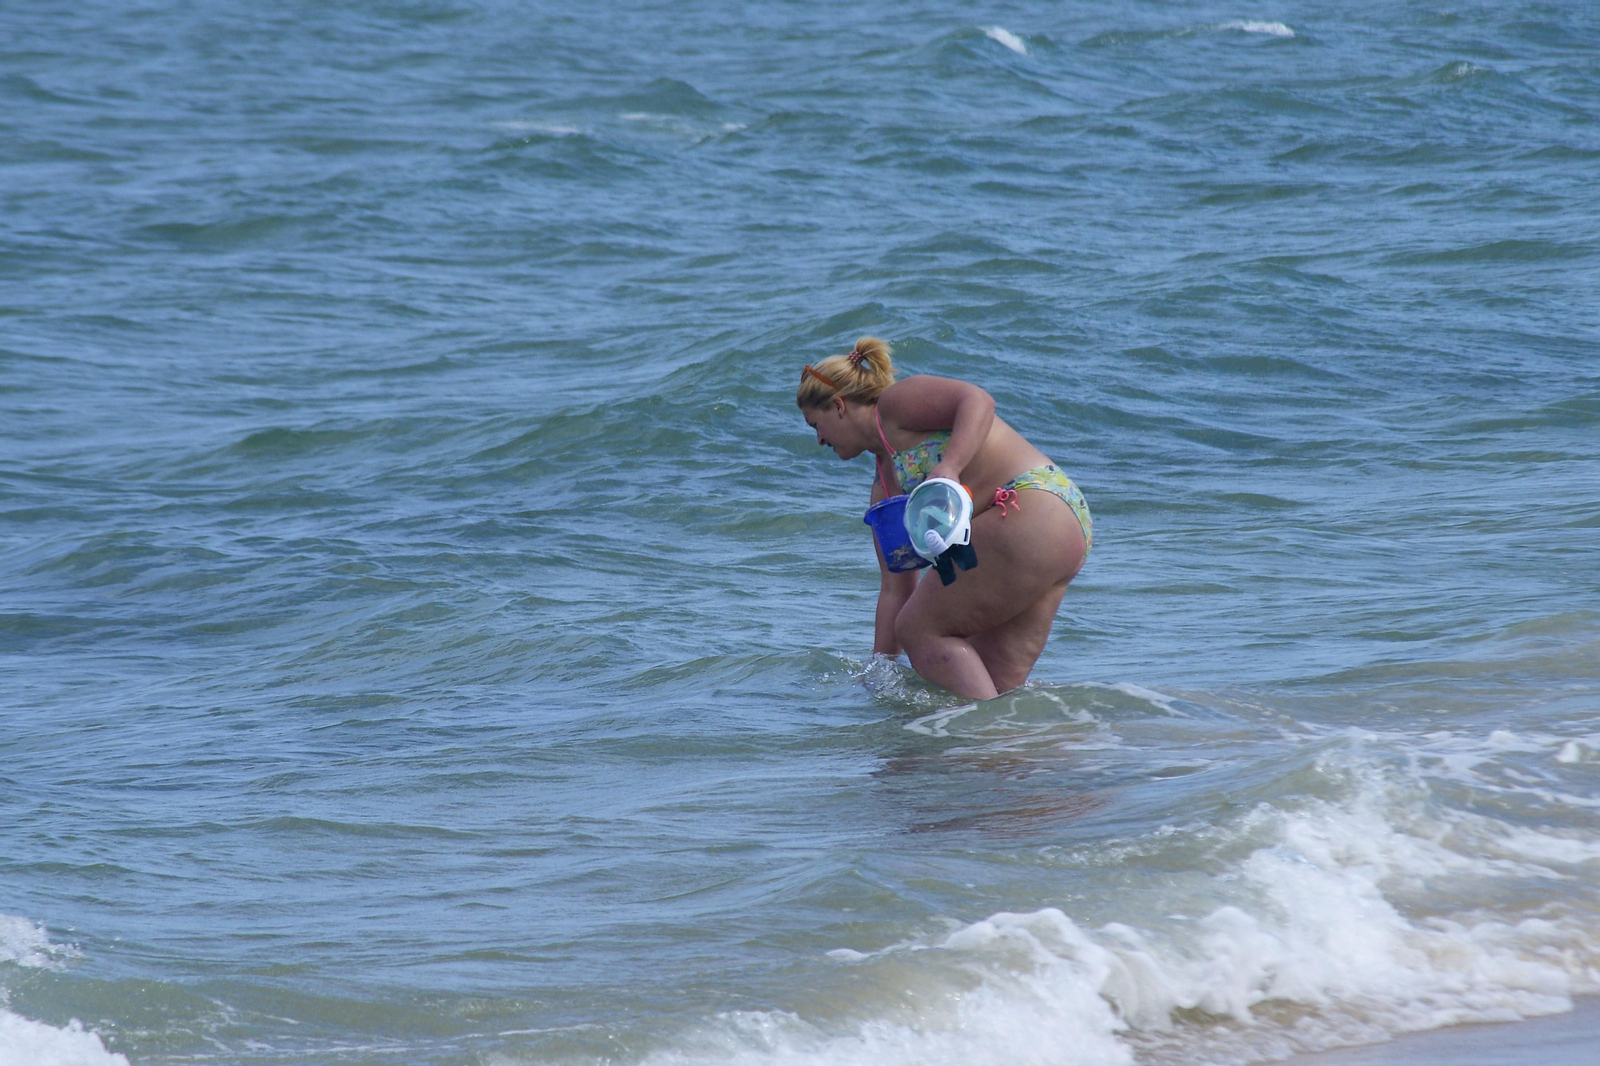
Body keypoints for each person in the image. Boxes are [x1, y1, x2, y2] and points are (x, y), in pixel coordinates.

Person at [797, 337, 1092, 701]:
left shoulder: (893, 406)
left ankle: (988, 741)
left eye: (815, 426)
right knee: (996, 687)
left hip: (1029, 503)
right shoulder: (884, 487)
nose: (819, 440)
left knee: (919, 629)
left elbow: (977, 400)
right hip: (1062, 527)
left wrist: (950, 466)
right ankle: (1017, 752)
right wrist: (879, 668)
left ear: (839, 406)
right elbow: (896, 586)